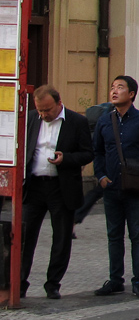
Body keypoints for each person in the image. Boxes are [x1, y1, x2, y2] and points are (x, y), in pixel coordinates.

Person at [20, 85, 92, 299]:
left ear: (59, 103)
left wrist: (66, 158)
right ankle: (20, 282)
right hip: (33, 186)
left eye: (47, 110)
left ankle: (53, 284)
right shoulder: (31, 118)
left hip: (61, 187)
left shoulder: (76, 122)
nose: (43, 114)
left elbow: (88, 153)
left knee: (61, 237)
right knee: (25, 236)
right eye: (40, 110)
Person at [92, 75, 139, 299]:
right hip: (111, 187)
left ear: (131, 94)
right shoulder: (104, 121)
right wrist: (100, 175)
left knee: (137, 235)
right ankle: (115, 280)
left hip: (135, 187)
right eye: (112, 87)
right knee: (114, 235)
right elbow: (98, 151)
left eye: (120, 88)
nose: (114, 91)